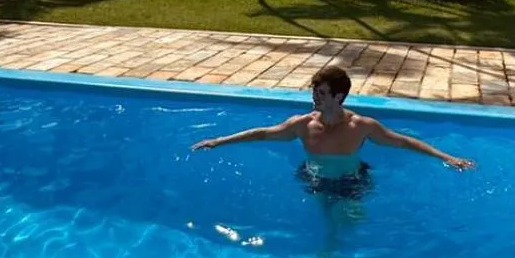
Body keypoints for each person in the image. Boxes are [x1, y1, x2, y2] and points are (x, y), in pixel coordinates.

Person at [190, 63, 475, 193]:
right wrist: (219, 140)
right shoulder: (302, 124)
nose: (314, 98)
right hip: (313, 176)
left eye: (321, 94)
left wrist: (447, 158)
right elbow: (263, 133)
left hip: (353, 180)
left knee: (346, 226)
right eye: (314, 92)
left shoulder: (361, 126)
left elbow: (403, 142)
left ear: (339, 97)